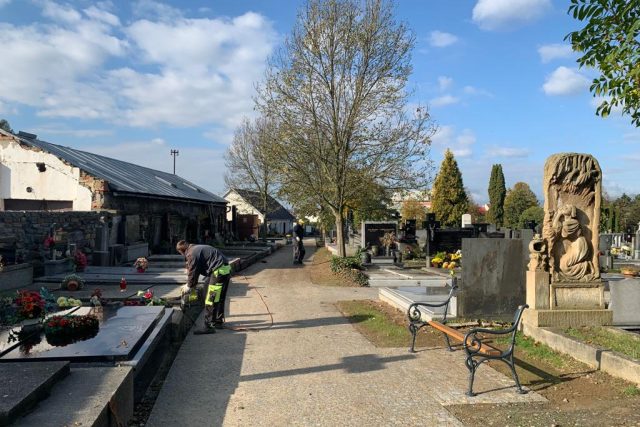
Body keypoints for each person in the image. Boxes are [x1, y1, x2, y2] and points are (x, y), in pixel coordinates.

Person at [177, 240, 231, 335]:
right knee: (217, 295)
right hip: (223, 270)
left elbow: (193, 272)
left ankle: (209, 325)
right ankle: (217, 321)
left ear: (182, 251)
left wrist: (189, 286)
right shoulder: (195, 248)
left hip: (218, 271)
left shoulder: (190, 253)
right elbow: (195, 269)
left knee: (211, 298)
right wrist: (192, 283)